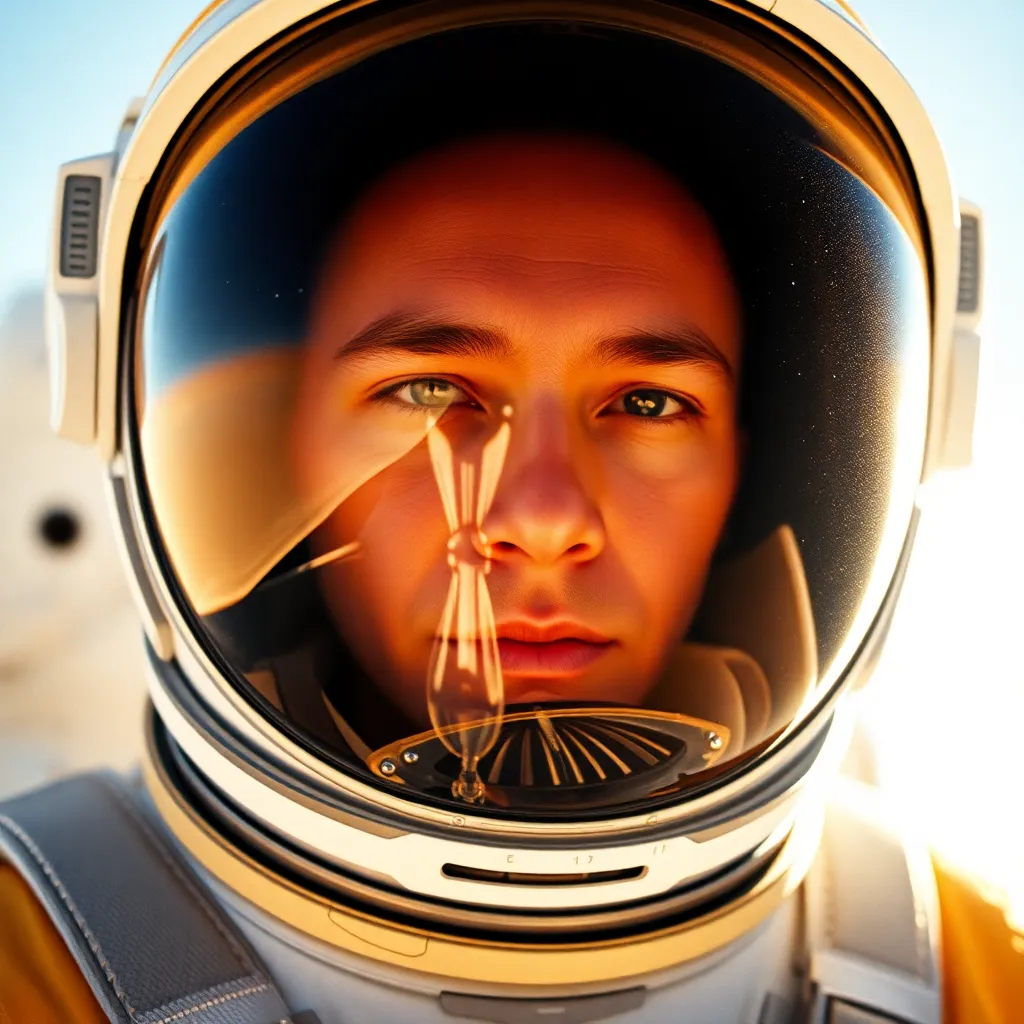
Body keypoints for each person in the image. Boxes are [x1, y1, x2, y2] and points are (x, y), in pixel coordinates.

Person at [1, 2, 1017, 1022]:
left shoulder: (985, 978)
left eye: (648, 404)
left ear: (755, 473)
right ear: (286, 451)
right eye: (432, 394)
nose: (537, 518)